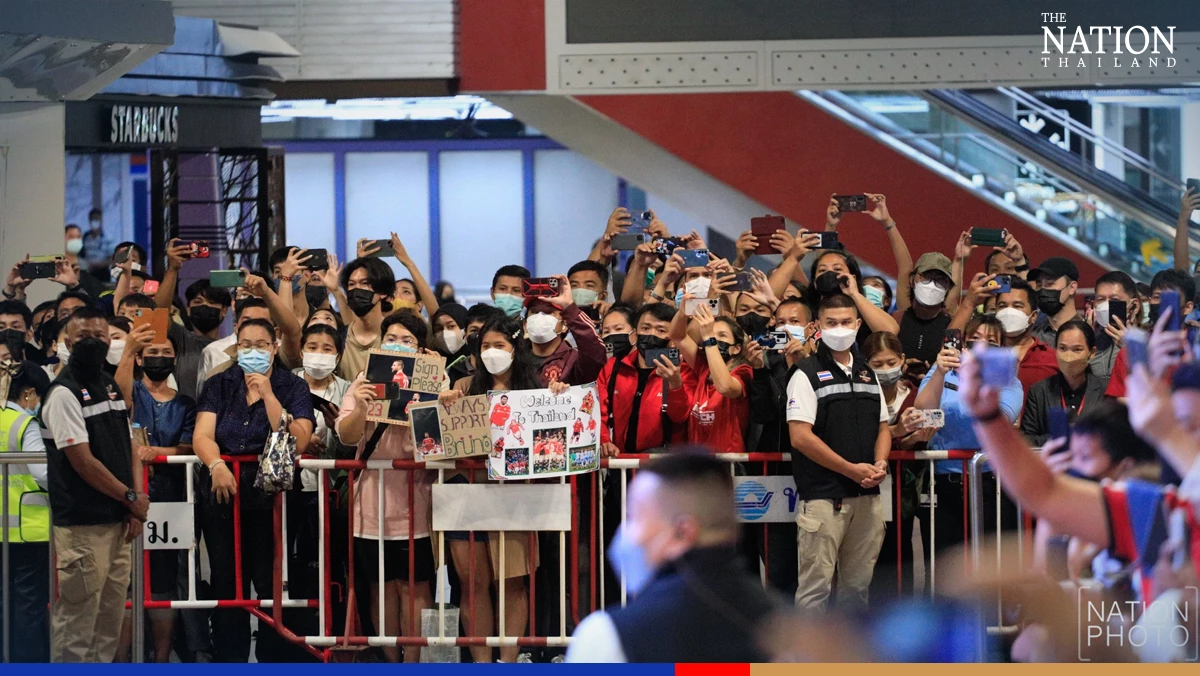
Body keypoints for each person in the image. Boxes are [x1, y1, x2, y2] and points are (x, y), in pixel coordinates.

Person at [566, 453, 782, 663]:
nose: (626, 533)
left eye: (635, 517)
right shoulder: (794, 631)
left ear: (683, 532)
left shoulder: (610, 636)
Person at [193, 318, 314, 662]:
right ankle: (230, 658)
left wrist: (269, 395)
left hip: (272, 500)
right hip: (222, 497)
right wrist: (217, 465)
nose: (254, 351)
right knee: (227, 582)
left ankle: (272, 657)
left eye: (261, 344)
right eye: (246, 344)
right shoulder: (219, 384)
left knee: (270, 582)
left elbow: (298, 440)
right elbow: (202, 434)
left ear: (275, 347)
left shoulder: (293, 387)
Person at [437, 314, 554, 663]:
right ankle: (481, 663)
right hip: (464, 493)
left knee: (512, 582)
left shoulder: (534, 393)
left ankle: (507, 660)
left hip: (514, 496)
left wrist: (557, 397)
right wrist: (443, 407)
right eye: (485, 346)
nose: (491, 352)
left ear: (515, 349)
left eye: (499, 346)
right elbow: (441, 440)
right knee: (472, 584)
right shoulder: (463, 387)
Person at [41, 307, 148, 662]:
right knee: (77, 628)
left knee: (108, 626)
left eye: (100, 337)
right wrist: (130, 496)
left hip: (118, 522)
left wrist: (129, 506)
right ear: (68, 342)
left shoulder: (108, 384)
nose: (93, 343)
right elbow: (83, 462)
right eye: (84, 337)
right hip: (83, 526)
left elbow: (126, 444)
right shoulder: (62, 393)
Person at [335, 312, 434, 663]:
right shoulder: (363, 380)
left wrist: (424, 399)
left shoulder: (433, 382)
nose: (396, 344)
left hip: (415, 508)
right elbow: (347, 437)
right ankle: (390, 660)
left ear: (420, 349)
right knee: (380, 590)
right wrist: (361, 406)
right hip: (369, 509)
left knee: (415, 590)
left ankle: (413, 663)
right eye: (390, 337)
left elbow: (433, 443)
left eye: (406, 340)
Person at [786, 293, 890, 611]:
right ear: (817, 327)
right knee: (814, 593)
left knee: (857, 591)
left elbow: (884, 426)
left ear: (858, 325)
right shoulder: (805, 373)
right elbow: (800, 437)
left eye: (846, 322)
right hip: (823, 499)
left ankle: (850, 661)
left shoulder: (867, 372)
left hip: (868, 498)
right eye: (832, 323)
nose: (840, 328)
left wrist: (880, 462)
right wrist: (850, 469)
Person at [112, 328, 196, 663]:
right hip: (127, 498)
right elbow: (118, 402)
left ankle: (161, 660)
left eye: (165, 352)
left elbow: (189, 445)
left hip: (169, 500)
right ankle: (123, 659)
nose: (158, 358)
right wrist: (128, 350)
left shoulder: (186, 403)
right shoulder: (130, 390)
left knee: (162, 580)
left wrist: (155, 452)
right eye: (151, 352)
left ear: (175, 359)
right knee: (127, 583)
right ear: (139, 358)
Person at [914, 314, 1022, 557]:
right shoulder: (942, 372)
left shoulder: (1009, 382)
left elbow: (999, 419)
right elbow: (923, 410)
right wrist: (940, 372)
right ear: (963, 344)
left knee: (991, 566)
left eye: (991, 341)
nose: (982, 344)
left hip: (990, 483)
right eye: (974, 338)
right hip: (944, 483)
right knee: (944, 566)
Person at [861, 331, 929, 604]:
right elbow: (862, 436)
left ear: (902, 360)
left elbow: (912, 444)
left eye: (890, 362)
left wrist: (915, 438)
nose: (885, 369)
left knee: (900, 556)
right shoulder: (860, 394)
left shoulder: (916, 395)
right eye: (877, 364)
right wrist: (898, 430)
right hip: (866, 485)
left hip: (904, 491)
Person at [0, 360, 52, 662]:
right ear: (29, 394)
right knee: (27, 610)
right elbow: (43, 473)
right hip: (27, 531)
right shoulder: (23, 423)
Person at [596, 303, 689, 456]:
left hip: (664, 466)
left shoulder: (682, 370)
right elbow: (598, 411)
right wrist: (603, 439)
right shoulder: (612, 367)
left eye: (660, 330)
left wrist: (675, 383)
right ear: (634, 335)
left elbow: (680, 417)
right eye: (645, 328)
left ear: (672, 339)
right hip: (621, 463)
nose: (651, 334)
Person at [670, 302, 752, 453]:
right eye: (712, 334)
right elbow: (677, 336)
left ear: (736, 348)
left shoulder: (744, 372)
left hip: (728, 464)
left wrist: (708, 337)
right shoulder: (703, 366)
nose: (714, 338)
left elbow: (725, 387)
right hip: (699, 464)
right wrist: (683, 311)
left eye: (722, 335)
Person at [1021, 320, 1108, 446]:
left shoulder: (1105, 389)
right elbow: (1027, 439)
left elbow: (1113, 436)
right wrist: (1062, 440)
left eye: (1077, 349)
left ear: (1092, 353)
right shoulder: (1039, 391)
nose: (1068, 356)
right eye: (1062, 348)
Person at [524, 274, 606, 386]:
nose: (540, 317)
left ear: (564, 325)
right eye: (534, 312)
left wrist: (569, 307)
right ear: (525, 325)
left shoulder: (574, 361)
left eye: (548, 312)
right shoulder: (516, 359)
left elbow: (595, 352)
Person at [892, 252, 954, 377]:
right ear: (912, 280)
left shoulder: (951, 326)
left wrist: (931, 374)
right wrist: (899, 368)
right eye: (926, 277)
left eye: (940, 280)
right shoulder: (896, 320)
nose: (932, 285)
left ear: (948, 287)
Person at [195, 297, 273, 395]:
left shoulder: (289, 379)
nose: (254, 327)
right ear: (236, 327)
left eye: (262, 322)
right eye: (247, 321)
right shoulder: (213, 354)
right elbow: (203, 398)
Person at [994, 277, 1059, 395]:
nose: (1008, 312)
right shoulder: (986, 356)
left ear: (1033, 316)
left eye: (1017, 306)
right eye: (1002, 306)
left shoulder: (1053, 360)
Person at [338, 257, 395, 380]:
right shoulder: (338, 338)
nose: (356, 289)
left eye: (364, 283)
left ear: (383, 292)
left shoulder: (397, 338)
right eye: (351, 284)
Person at [1087, 271, 1140, 380]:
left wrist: (1129, 348)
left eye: (1114, 300)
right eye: (1100, 300)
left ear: (1133, 306)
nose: (1106, 305)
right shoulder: (1091, 340)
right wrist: (1086, 339)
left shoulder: (1147, 340)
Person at [1029, 257, 1082, 345]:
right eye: (1039, 285)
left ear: (1072, 287)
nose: (1043, 290)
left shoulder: (1089, 334)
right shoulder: (1031, 336)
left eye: (1050, 284)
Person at [431, 302, 471, 383]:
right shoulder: (432, 360)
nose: (444, 333)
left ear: (464, 328)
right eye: (439, 328)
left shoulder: (474, 360)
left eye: (451, 326)